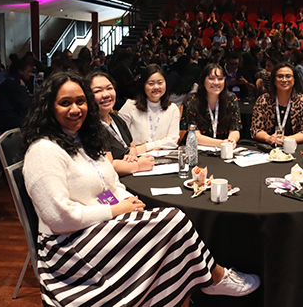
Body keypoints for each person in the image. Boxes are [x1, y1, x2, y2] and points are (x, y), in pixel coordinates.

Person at [21, 72, 260, 307]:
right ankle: (214, 278)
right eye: (65, 103)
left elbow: (111, 182)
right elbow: (60, 218)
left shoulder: (84, 139)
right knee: (174, 221)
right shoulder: (44, 151)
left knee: (170, 236)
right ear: (48, 108)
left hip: (100, 226)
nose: (75, 109)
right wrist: (116, 210)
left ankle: (188, 289)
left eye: (80, 101)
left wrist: (130, 203)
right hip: (69, 247)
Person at [86, 71, 155, 176]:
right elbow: (108, 165)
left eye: (109, 88)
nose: (106, 94)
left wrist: (131, 155)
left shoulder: (116, 119)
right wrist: (138, 165)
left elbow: (132, 147)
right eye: (98, 91)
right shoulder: (92, 127)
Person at [119, 64, 180, 153]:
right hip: (135, 158)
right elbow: (119, 137)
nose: (156, 87)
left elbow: (172, 141)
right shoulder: (130, 107)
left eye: (160, 83)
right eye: (151, 83)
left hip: (164, 158)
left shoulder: (172, 109)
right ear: (143, 85)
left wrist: (145, 147)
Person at [251, 62, 303, 145]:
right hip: (268, 148)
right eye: (280, 76)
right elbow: (255, 130)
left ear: (294, 80)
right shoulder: (263, 100)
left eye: (288, 76)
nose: (284, 80)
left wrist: (286, 139)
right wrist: (269, 138)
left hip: (295, 149)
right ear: (274, 80)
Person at [181, 64, 242, 148]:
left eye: (220, 79)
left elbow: (235, 129)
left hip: (223, 150)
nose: (216, 82)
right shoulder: (192, 100)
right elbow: (194, 136)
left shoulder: (230, 99)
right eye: (211, 78)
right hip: (198, 151)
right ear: (203, 81)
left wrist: (231, 141)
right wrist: (222, 143)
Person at [0, 59, 34, 133]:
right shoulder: (16, 83)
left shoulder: (9, 80)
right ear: (20, 71)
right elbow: (27, 105)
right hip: (9, 121)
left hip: (2, 118)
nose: (30, 74)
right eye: (29, 71)